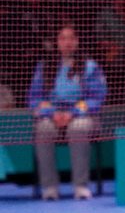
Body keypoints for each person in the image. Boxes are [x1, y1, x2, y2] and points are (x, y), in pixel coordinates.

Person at [28, 24, 107, 200]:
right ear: (56, 42)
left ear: (78, 41)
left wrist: (72, 113)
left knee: (78, 128)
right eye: (63, 38)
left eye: (71, 38)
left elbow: (97, 97)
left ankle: (80, 186)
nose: (67, 42)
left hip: (82, 116)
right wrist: (51, 113)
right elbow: (34, 98)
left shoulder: (90, 66)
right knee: (43, 129)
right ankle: (49, 188)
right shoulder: (45, 66)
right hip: (52, 116)